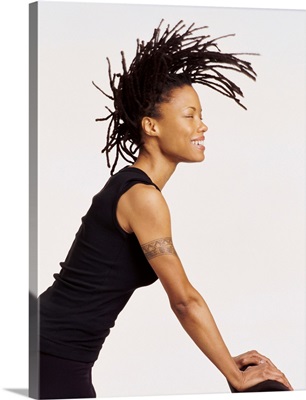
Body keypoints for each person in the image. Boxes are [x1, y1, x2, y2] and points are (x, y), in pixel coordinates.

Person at [38, 20, 293, 399]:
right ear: (150, 126)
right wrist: (235, 376)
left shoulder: (131, 186)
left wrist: (227, 358)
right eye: (189, 115)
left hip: (49, 347)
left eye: (200, 114)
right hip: (51, 355)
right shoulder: (143, 197)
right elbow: (184, 300)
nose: (202, 125)